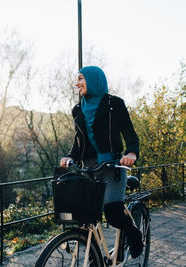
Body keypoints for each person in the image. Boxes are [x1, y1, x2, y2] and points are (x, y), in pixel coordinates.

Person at [60, 66, 143, 259]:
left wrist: (131, 153)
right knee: (84, 216)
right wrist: (70, 156)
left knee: (113, 213)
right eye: (77, 79)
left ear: (94, 80)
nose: (77, 83)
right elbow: (78, 140)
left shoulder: (115, 104)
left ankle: (133, 234)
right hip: (87, 168)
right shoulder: (78, 109)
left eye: (81, 78)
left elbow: (130, 134)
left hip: (112, 166)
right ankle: (95, 258)